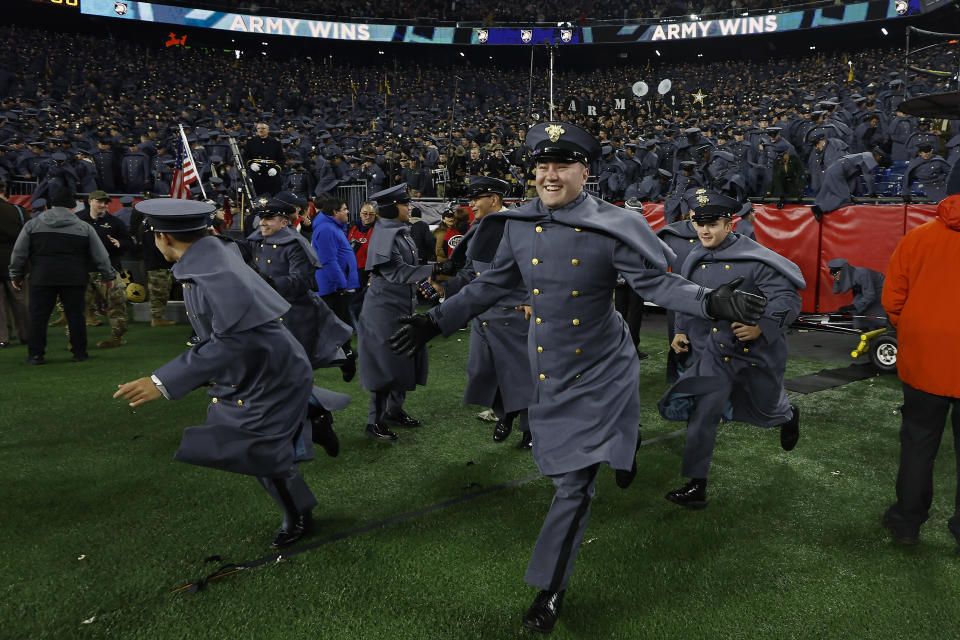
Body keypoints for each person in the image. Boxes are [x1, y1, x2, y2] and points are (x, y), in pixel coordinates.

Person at [389, 123, 766, 634]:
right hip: (549, 366)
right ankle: (623, 445)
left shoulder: (611, 225)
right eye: (542, 166)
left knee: (573, 483)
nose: (550, 175)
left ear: (585, 171)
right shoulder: (518, 225)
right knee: (567, 467)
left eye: (562, 165)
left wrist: (712, 300)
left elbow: (658, 283)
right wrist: (435, 320)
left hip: (601, 368)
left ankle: (551, 588)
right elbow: (492, 284)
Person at [113, 199, 319, 549]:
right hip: (261, 368)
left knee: (260, 453)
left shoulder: (212, 269)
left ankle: (298, 514)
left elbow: (230, 342)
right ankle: (312, 415)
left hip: (269, 373)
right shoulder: (209, 257)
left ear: (163, 237)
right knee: (250, 443)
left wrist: (162, 382)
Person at [659, 189, 804, 510]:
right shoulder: (694, 257)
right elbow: (687, 294)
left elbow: (789, 300)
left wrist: (761, 327)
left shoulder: (756, 259)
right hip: (709, 353)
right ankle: (697, 486)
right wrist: (681, 330)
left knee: (768, 409)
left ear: (730, 223)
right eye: (699, 223)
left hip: (750, 354)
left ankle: (788, 415)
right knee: (701, 415)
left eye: (712, 224)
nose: (705, 231)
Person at [880, 183, 960, 549]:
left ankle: (907, 523)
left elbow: (893, 299)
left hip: (925, 361)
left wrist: (914, 329)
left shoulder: (918, 238)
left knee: (917, 444)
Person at [246, 198, 354, 455]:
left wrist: (270, 282)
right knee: (280, 377)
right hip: (269, 317)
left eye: (269, 219)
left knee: (291, 376)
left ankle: (317, 420)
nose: (262, 223)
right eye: (262, 218)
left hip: (296, 317)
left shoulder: (295, 244)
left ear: (284, 222)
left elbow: (303, 281)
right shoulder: (255, 239)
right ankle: (315, 420)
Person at [433, 175, 533, 448]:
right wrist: (445, 289)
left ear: (494, 199)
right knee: (482, 371)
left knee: (521, 374)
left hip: (514, 313)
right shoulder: (479, 227)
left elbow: (533, 266)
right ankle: (506, 412)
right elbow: (470, 271)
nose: (471, 204)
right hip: (483, 313)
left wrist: (529, 300)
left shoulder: (518, 224)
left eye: (476, 198)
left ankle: (529, 430)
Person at [358, 183, 449, 442]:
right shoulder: (386, 233)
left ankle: (394, 411)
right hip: (383, 310)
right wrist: (434, 272)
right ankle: (373, 422)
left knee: (403, 358)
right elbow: (394, 273)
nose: (409, 207)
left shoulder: (399, 231)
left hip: (400, 305)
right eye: (404, 204)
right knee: (384, 365)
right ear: (391, 207)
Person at [9, 188, 115, 364]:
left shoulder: (33, 225)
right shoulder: (84, 227)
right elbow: (101, 256)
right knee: (76, 316)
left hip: (42, 277)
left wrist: (16, 275)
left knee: (38, 317)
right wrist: (108, 276)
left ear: (49, 206)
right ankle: (79, 353)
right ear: (73, 208)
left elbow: (19, 254)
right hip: (74, 278)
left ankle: (36, 355)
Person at [77, 190, 132, 347]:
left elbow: (129, 241)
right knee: (75, 306)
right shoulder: (78, 219)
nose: (103, 205)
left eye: (105, 202)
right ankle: (75, 340)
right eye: (99, 201)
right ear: (90, 201)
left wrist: (120, 243)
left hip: (108, 270)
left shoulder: (115, 222)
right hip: (82, 269)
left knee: (117, 304)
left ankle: (117, 338)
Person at [311, 196, 360, 336]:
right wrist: (341, 284)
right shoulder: (327, 229)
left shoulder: (332, 227)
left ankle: (344, 354)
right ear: (335, 212)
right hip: (333, 289)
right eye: (344, 209)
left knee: (340, 329)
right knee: (335, 331)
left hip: (335, 288)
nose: (348, 212)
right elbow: (328, 261)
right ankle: (340, 356)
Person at [0, 177, 30, 347]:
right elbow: (27, 236)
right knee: (21, 302)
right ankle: (26, 335)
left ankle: (2, 338)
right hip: (15, 262)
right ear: (4, 191)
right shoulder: (18, 211)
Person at [826, 258, 887, 330]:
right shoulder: (848, 273)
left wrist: (853, 306)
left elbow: (870, 295)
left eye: (834, 272)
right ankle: (863, 329)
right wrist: (854, 306)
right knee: (858, 308)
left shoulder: (862, 274)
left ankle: (879, 329)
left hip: (880, 288)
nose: (833, 275)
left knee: (874, 311)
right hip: (865, 289)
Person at [347, 201, 377, 324]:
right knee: (353, 300)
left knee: (364, 301)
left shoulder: (378, 230)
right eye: (365, 214)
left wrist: (373, 271)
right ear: (360, 214)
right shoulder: (353, 227)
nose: (367, 217)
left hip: (367, 270)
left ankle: (364, 325)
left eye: (371, 214)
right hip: (352, 270)